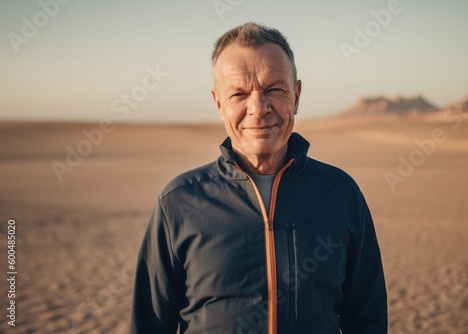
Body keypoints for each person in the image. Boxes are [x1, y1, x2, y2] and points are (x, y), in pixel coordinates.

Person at [130, 22, 387, 334]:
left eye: (274, 90)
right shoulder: (179, 202)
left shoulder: (341, 195)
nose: (259, 108)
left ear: (297, 94)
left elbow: (367, 320)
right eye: (239, 93)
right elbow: (149, 325)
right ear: (218, 104)